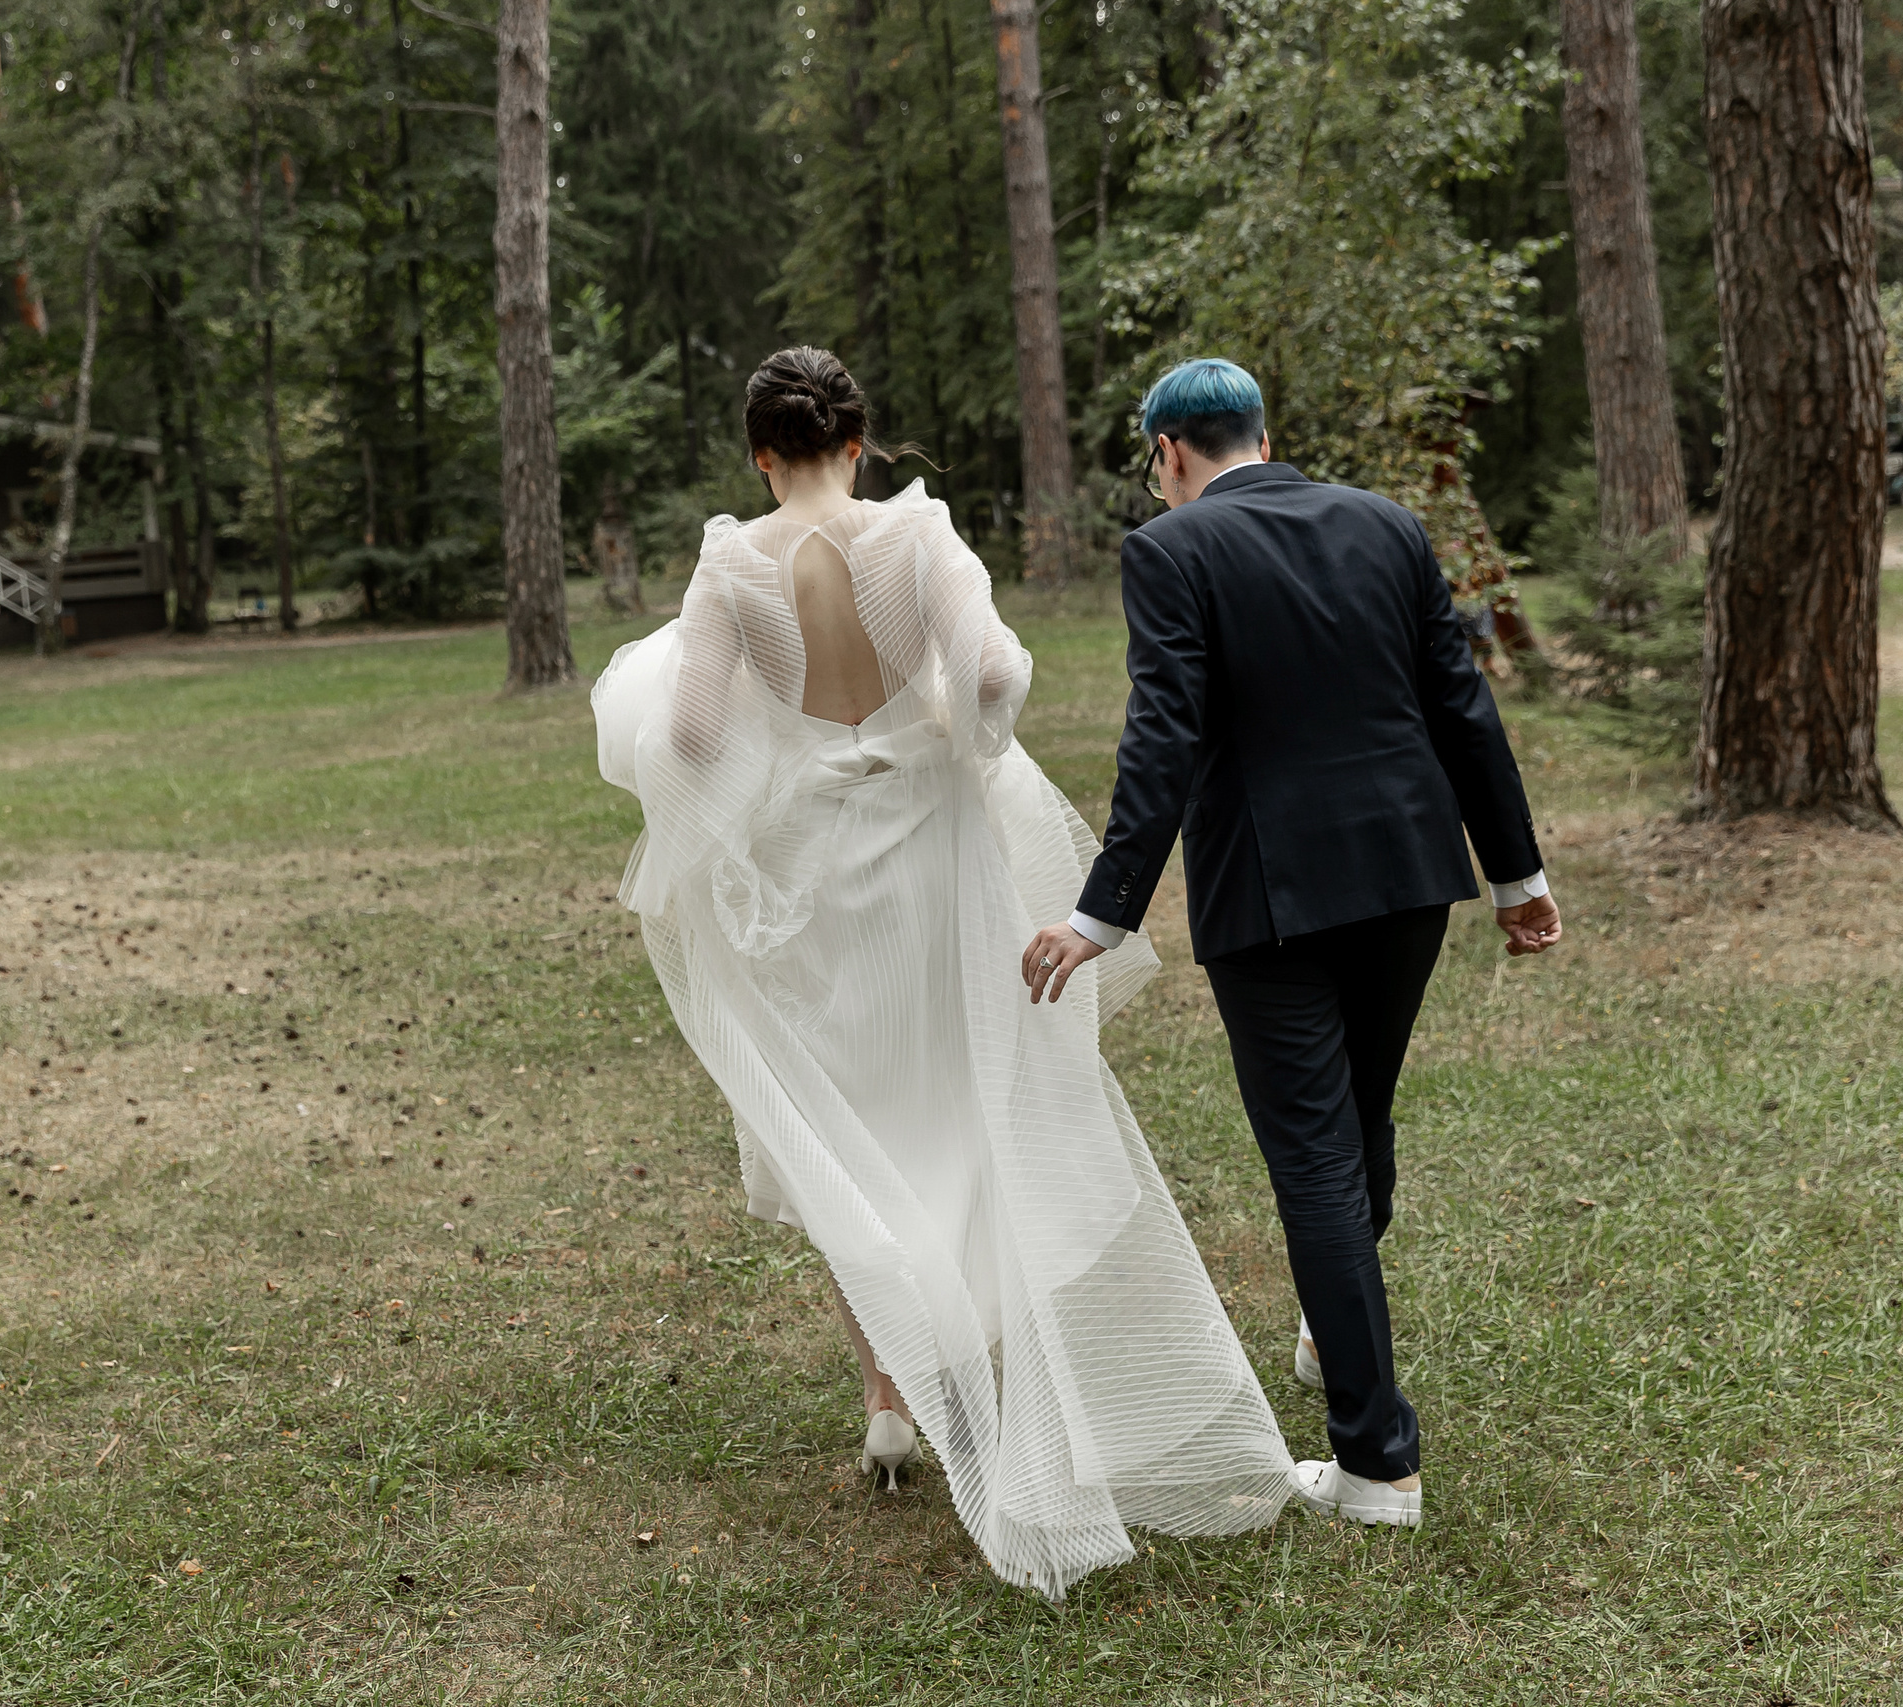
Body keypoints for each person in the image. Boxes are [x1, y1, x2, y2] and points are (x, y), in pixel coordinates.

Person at [593, 347, 1295, 1601]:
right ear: (858, 442)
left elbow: (694, 733)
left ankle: (888, 1396)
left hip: (814, 875)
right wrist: (953, 740)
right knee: (973, 1101)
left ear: (762, 453)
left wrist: (741, 763)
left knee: (857, 1123)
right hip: (935, 856)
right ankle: (1003, 1374)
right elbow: (989, 674)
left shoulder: (729, 564)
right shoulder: (919, 540)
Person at [1021, 358, 1562, 1531]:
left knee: (1317, 1160)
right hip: (1409, 876)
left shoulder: (1169, 551)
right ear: (1264, 434)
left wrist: (1094, 913)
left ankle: (1374, 1467)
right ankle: (1333, 1326)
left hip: (1270, 897)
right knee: (1356, 1124)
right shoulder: (1387, 524)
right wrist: (1514, 873)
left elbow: (1158, 739)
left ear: (1167, 453)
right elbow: (1462, 705)